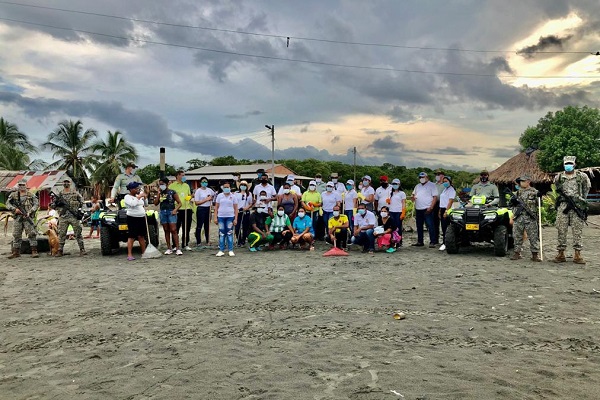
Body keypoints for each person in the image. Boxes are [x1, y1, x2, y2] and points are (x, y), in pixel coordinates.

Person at [553, 156, 591, 264]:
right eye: (566, 164)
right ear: (563, 164)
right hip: (563, 205)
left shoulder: (582, 176)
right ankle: (561, 253)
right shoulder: (559, 177)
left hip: (577, 206)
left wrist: (580, 201)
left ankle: (577, 254)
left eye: (570, 163)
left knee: (577, 230)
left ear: (574, 164)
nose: (568, 165)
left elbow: (586, 189)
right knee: (561, 229)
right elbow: (557, 188)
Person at [509, 175, 541, 262]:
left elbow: (539, 204)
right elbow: (510, 205)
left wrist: (539, 197)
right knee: (517, 236)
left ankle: (535, 254)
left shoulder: (534, 192)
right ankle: (517, 253)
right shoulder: (516, 193)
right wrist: (513, 202)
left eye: (523, 181)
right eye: (521, 181)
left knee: (533, 236)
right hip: (518, 217)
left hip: (530, 218)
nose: (522, 183)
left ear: (528, 181)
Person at [6, 179, 39, 259]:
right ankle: (16, 252)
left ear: (26, 185)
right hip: (17, 218)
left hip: (27, 217)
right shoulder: (13, 195)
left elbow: (36, 204)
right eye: (20, 185)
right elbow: (7, 204)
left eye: (23, 185)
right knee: (16, 234)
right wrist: (14, 209)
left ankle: (34, 251)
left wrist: (30, 211)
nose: (21, 186)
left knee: (31, 233)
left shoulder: (31, 195)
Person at [53, 179, 86, 257]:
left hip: (74, 216)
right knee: (61, 234)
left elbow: (83, 203)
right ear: (63, 183)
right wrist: (57, 204)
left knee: (78, 233)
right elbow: (53, 205)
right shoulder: (59, 194)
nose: (66, 183)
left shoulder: (75, 193)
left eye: (67, 182)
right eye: (65, 182)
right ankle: (60, 250)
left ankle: (82, 249)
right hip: (63, 217)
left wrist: (81, 212)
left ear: (70, 183)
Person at [154, 176, 182, 255]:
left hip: (171, 211)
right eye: (160, 184)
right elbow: (155, 203)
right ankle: (169, 248)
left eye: (162, 184)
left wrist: (175, 210)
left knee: (173, 230)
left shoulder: (172, 192)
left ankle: (177, 248)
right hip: (163, 212)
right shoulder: (160, 193)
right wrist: (158, 194)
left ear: (166, 184)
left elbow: (180, 203)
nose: (161, 186)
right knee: (166, 230)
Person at [411, 172, 438, 248]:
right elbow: (413, 195)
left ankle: (432, 241)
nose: (421, 179)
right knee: (419, 226)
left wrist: (431, 207)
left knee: (430, 225)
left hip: (427, 208)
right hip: (418, 208)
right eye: (420, 177)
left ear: (427, 177)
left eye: (423, 177)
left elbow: (435, 197)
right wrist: (413, 197)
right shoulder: (417, 186)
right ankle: (420, 241)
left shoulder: (432, 185)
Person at [213, 181, 238, 257]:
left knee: (229, 233)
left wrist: (235, 219)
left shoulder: (233, 196)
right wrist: (215, 217)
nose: (226, 188)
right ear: (222, 188)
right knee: (222, 233)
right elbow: (216, 207)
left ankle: (230, 250)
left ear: (230, 188)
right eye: (225, 187)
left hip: (230, 216)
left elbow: (236, 208)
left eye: (228, 187)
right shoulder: (219, 196)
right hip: (221, 217)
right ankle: (221, 250)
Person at [169, 170, 193, 251]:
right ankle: (175, 245)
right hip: (177, 209)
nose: (184, 177)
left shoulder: (186, 185)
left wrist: (189, 197)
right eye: (182, 175)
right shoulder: (172, 186)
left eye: (184, 175)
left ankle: (185, 244)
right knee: (175, 228)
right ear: (177, 176)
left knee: (186, 228)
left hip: (187, 208)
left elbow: (189, 195)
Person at [123, 182, 147, 261]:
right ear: (131, 189)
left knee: (141, 236)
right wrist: (139, 196)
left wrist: (145, 198)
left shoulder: (138, 196)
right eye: (136, 188)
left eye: (138, 188)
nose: (138, 190)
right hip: (132, 218)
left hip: (141, 217)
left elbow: (145, 204)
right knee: (132, 236)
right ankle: (129, 254)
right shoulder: (127, 197)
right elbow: (132, 204)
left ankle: (144, 252)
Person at [194, 176, 215, 247]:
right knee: (199, 225)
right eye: (203, 182)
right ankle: (198, 241)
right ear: (200, 183)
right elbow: (196, 202)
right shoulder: (198, 191)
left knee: (207, 225)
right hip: (201, 209)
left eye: (206, 182)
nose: (204, 183)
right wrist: (206, 200)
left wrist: (211, 199)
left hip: (208, 208)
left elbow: (213, 196)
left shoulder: (209, 190)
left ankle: (208, 240)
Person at [438, 176, 456, 252]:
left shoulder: (451, 190)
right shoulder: (445, 189)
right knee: (443, 226)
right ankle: (444, 242)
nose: (445, 183)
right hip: (442, 208)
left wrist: (446, 211)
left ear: (450, 182)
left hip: (448, 209)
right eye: (444, 181)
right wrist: (440, 210)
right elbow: (442, 200)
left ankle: (446, 243)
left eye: (446, 181)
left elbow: (450, 201)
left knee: (446, 227)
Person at [234, 180, 253, 247]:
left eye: (244, 185)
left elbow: (251, 203)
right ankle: (238, 240)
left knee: (245, 227)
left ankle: (243, 240)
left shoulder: (249, 194)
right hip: (238, 211)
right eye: (241, 185)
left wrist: (247, 207)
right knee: (237, 227)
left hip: (246, 212)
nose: (243, 186)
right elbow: (234, 202)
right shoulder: (236, 193)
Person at [388, 178, 406, 247]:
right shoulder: (390, 193)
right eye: (393, 184)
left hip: (398, 212)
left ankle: (399, 241)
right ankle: (392, 241)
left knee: (398, 227)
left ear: (399, 184)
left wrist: (403, 212)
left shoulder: (402, 193)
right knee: (392, 227)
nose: (395, 185)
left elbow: (403, 203)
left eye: (396, 184)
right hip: (391, 211)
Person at [433, 169, 445, 246]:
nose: (437, 176)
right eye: (436, 175)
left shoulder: (445, 185)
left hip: (443, 204)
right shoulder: (434, 185)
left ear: (442, 176)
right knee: (435, 222)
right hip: (435, 204)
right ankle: (435, 240)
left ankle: (445, 240)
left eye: (439, 174)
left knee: (444, 222)